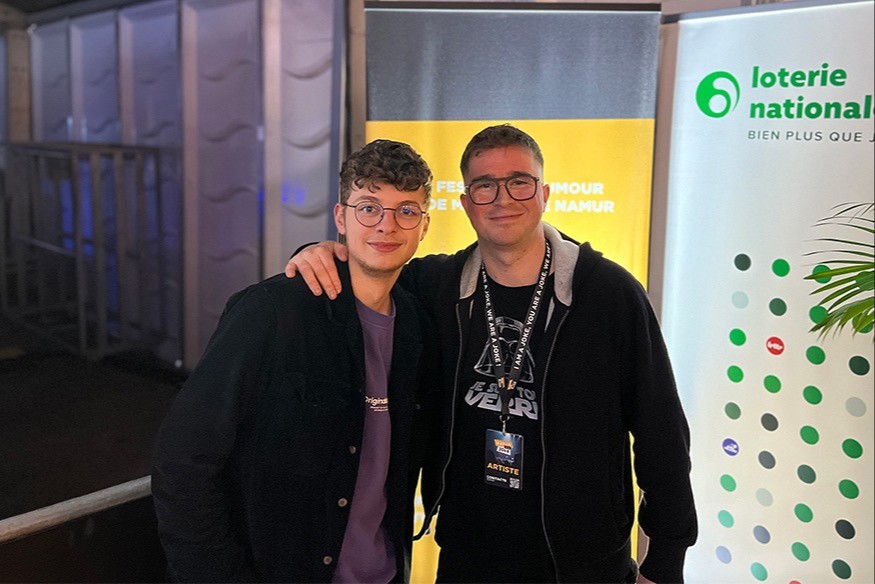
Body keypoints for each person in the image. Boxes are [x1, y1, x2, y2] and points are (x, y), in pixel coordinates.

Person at [285, 124, 698, 583]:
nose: (503, 199)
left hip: (583, 563)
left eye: (519, 182)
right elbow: (368, 269)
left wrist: (666, 561)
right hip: (467, 556)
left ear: (544, 194)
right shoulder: (435, 287)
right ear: (466, 203)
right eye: (484, 186)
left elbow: (661, 431)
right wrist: (318, 253)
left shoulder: (608, 294)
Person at [151, 139, 440, 582]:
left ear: (424, 226)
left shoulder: (418, 326)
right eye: (368, 208)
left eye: (406, 210)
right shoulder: (271, 312)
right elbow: (183, 459)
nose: (387, 225)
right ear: (341, 217)